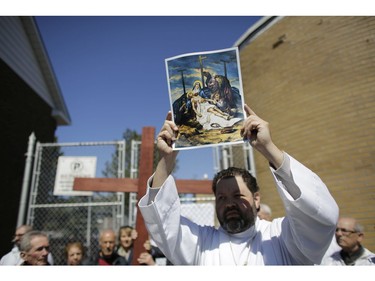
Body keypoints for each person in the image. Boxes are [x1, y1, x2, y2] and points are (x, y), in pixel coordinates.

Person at [138, 104, 339, 265]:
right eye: (222, 198)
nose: (229, 204)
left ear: (256, 199)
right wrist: (166, 162)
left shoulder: (280, 236)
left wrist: (269, 149)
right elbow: (164, 227)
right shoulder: (202, 243)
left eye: (238, 195)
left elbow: (319, 218)